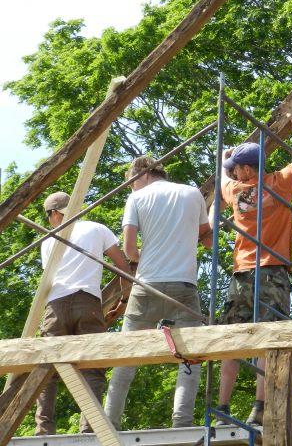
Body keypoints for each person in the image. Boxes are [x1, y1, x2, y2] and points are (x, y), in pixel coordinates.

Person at [212, 113, 292, 426]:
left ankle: (222, 409)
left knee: (232, 341)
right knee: (268, 342)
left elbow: (221, 178)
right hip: (273, 273)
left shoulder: (235, 192)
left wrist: (223, 160)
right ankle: (259, 407)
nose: (235, 172)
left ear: (246, 170)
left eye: (237, 168)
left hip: (243, 275)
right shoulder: (281, 182)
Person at [104, 156, 212, 429]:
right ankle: (182, 422)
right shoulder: (192, 193)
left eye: (133, 182)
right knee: (190, 355)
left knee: (126, 356)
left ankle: (109, 423)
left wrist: (148, 255)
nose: (132, 187)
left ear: (142, 174)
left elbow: (130, 251)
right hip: (183, 287)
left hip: (146, 286)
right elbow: (206, 236)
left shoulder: (137, 199)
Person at [35, 191, 131, 436]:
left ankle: (44, 430)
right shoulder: (96, 229)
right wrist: (124, 300)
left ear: (53, 214)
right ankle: (90, 429)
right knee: (92, 367)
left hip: (55, 307)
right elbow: (123, 267)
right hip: (87, 303)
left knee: (47, 370)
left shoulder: (47, 241)